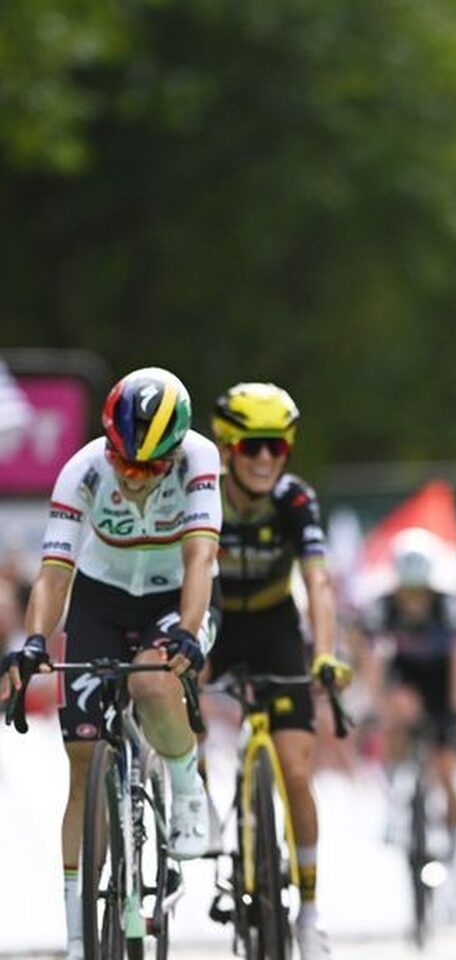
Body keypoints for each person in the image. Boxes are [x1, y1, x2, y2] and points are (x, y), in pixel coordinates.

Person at [0, 367, 221, 960]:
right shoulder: (84, 471)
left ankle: (186, 785)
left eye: (151, 467)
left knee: (151, 682)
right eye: (125, 462)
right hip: (101, 598)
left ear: (176, 450)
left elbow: (200, 558)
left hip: (176, 596)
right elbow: (54, 573)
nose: (134, 476)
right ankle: (78, 936)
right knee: (81, 763)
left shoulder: (199, 460)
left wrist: (189, 632)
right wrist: (35, 641)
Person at [207, 381, 350, 960]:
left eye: (278, 446)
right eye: (252, 446)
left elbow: (318, 581)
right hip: (215, 622)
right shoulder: (203, 495)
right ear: (227, 448)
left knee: (295, 770)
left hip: (274, 628)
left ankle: (309, 914)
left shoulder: (295, 499)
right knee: (177, 698)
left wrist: (325, 652)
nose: (265, 458)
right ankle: (195, 802)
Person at [366, 527, 456, 852]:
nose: (413, 600)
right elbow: (372, 659)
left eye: (419, 592)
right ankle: (394, 795)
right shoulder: (384, 605)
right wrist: (379, 703)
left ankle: (452, 840)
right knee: (398, 717)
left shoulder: (448, 605)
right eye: (407, 591)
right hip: (407, 674)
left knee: (446, 769)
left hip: (442, 678)